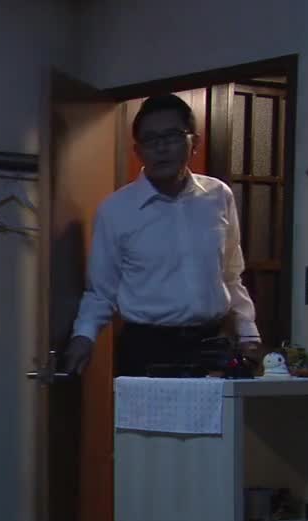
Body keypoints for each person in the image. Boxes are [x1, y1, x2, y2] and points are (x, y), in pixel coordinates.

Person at [61, 94, 262, 377]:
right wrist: (83, 337)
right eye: (150, 140)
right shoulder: (116, 209)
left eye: (171, 136)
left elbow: (230, 274)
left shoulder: (218, 196)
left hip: (212, 343)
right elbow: (101, 291)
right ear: (138, 151)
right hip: (147, 347)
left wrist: (248, 333)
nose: (161, 148)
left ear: (194, 142)